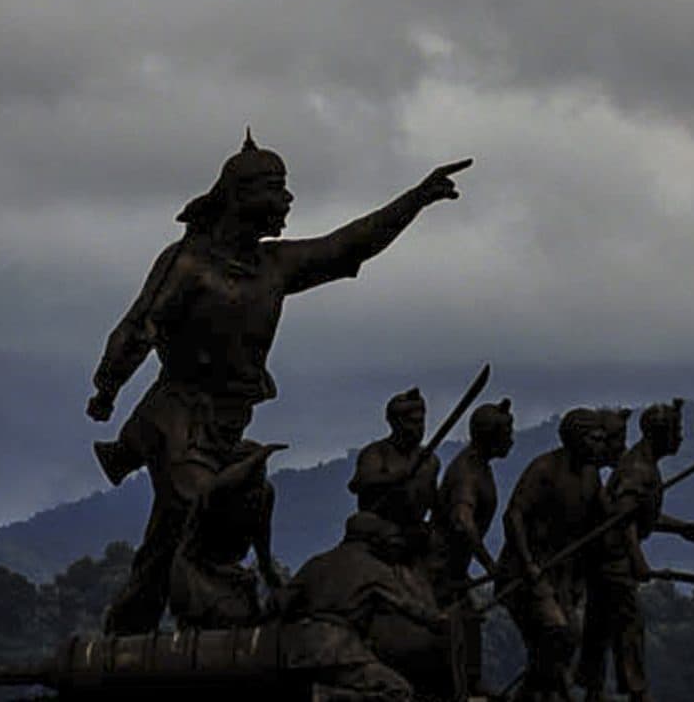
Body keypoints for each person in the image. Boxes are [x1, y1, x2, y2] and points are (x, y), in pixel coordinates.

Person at [86, 136, 470, 632]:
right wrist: (108, 387)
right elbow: (139, 326)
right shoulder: (188, 263)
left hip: (226, 425)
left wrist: (416, 198)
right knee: (206, 505)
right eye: (275, 189)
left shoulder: (274, 266)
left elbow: (349, 244)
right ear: (239, 196)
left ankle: (129, 633)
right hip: (176, 414)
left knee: (172, 535)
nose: (287, 200)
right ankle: (216, 617)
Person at [581, 400, 694, 702]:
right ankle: (636, 692)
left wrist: (680, 528)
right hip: (612, 562)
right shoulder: (638, 470)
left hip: (608, 559)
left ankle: (592, 689)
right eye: (676, 431)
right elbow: (624, 521)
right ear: (658, 435)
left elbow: (638, 516)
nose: (680, 438)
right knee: (628, 624)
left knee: (600, 625)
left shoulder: (643, 466)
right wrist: (638, 561)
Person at [499, 410, 612, 702]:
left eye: (603, 440)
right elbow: (514, 516)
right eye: (594, 439)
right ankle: (539, 692)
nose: (601, 446)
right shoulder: (545, 469)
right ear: (576, 439)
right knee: (556, 631)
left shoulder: (591, 475)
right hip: (529, 571)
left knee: (567, 639)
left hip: (562, 573)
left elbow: (605, 517)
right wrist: (528, 564)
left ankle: (540, 692)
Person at [281, 509, 452, 702]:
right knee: (397, 691)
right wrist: (439, 620)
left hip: (295, 648)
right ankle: (323, 696)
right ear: (373, 539)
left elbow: (280, 602)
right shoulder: (373, 569)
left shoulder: (316, 563)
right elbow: (408, 605)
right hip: (338, 648)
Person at [435, 400, 514, 699]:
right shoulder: (467, 472)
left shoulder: (480, 465)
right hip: (440, 565)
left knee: (469, 618)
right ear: (490, 436)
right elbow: (462, 521)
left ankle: (470, 681)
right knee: (455, 620)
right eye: (507, 432)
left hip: (457, 568)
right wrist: (490, 565)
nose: (512, 439)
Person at [168, 438, 288, 630]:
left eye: (262, 468)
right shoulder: (215, 493)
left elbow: (263, 550)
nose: (260, 474)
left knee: (249, 615)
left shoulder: (264, 494)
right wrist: (256, 458)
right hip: (197, 572)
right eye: (254, 469)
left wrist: (280, 590)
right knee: (228, 617)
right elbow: (221, 485)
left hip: (232, 573)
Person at [349, 388, 438, 556]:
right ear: (396, 423)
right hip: (377, 527)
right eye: (413, 422)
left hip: (415, 528)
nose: (419, 428)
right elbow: (359, 483)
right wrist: (396, 477)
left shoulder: (430, 460)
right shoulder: (376, 453)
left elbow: (433, 499)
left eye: (421, 422)